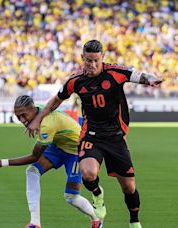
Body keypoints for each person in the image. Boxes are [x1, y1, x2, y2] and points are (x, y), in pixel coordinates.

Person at [27, 40, 163, 228]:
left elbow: (138, 75)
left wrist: (151, 78)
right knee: (88, 173)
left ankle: (134, 221)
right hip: (92, 135)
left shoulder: (115, 73)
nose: (92, 65)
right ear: (82, 58)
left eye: (96, 61)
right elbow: (55, 101)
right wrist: (37, 119)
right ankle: (97, 195)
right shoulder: (75, 81)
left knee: (129, 187)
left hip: (116, 137)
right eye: (88, 60)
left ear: (102, 58)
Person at [0, 95, 102, 228]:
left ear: (33, 109)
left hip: (75, 150)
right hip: (58, 145)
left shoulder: (48, 124)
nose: (22, 120)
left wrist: (2, 162)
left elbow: (34, 156)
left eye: (24, 115)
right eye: (18, 117)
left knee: (71, 197)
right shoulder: (40, 110)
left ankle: (96, 220)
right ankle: (35, 223)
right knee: (32, 171)